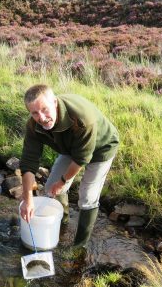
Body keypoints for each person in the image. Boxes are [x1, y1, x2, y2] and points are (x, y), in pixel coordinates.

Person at [19, 84, 119, 248]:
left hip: (102, 147)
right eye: (35, 113)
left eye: (45, 109)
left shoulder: (82, 119)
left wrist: (63, 180)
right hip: (71, 147)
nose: (42, 118)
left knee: (87, 197)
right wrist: (28, 200)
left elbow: (81, 159)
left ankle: (80, 245)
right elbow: (29, 162)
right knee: (51, 187)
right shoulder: (33, 126)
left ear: (55, 102)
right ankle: (61, 221)